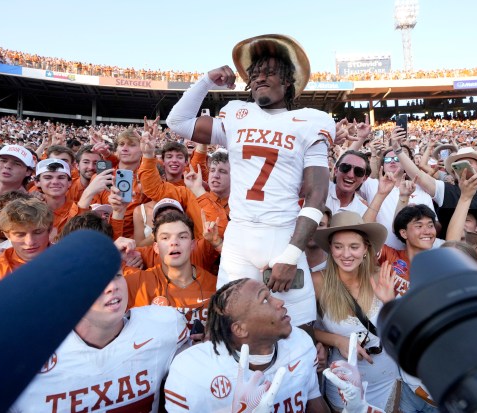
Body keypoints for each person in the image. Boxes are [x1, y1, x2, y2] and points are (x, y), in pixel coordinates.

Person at [166, 34, 335, 327]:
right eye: (254, 74)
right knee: (229, 325)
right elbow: (177, 122)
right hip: (239, 237)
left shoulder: (311, 121)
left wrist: (292, 254)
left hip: (283, 235)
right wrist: (206, 81)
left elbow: (317, 196)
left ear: (288, 80)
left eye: (269, 72)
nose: (259, 79)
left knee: (298, 327)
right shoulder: (236, 115)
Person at [9, 269, 188, 413]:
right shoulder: (26, 354)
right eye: (97, 279)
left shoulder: (164, 326)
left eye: (117, 275)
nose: (111, 286)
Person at [163, 278, 331, 412]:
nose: (279, 302)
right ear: (240, 329)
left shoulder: (300, 343)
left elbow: (313, 402)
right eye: (265, 300)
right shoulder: (191, 371)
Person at [311, 211, 399, 411]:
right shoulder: (318, 281)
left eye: (354, 246)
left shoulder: (382, 277)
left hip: (386, 378)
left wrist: (391, 304)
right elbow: (304, 328)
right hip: (343, 382)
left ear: (366, 249)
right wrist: (336, 340)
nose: (346, 254)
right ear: (330, 249)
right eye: (338, 246)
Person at [124, 212, 217, 342]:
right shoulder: (139, 283)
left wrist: (219, 338)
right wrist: (112, 253)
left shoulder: (215, 286)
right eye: (165, 238)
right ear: (156, 247)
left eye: (182, 237)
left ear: (192, 244)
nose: (174, 242)